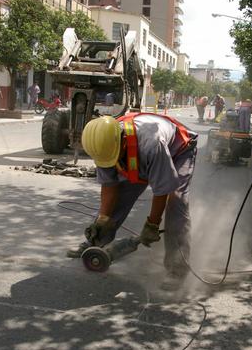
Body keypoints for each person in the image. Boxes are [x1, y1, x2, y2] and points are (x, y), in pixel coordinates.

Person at [66, 113, 198, 291]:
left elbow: (162, 191)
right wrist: (102, 220)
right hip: (138, 157)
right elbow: (109, 186)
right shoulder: (102, 144)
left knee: (177, 201)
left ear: (123, 141)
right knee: (118, 198)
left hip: (179, 150)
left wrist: (152, 224)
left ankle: (177, 269)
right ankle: (95, 243)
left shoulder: (152, 144)